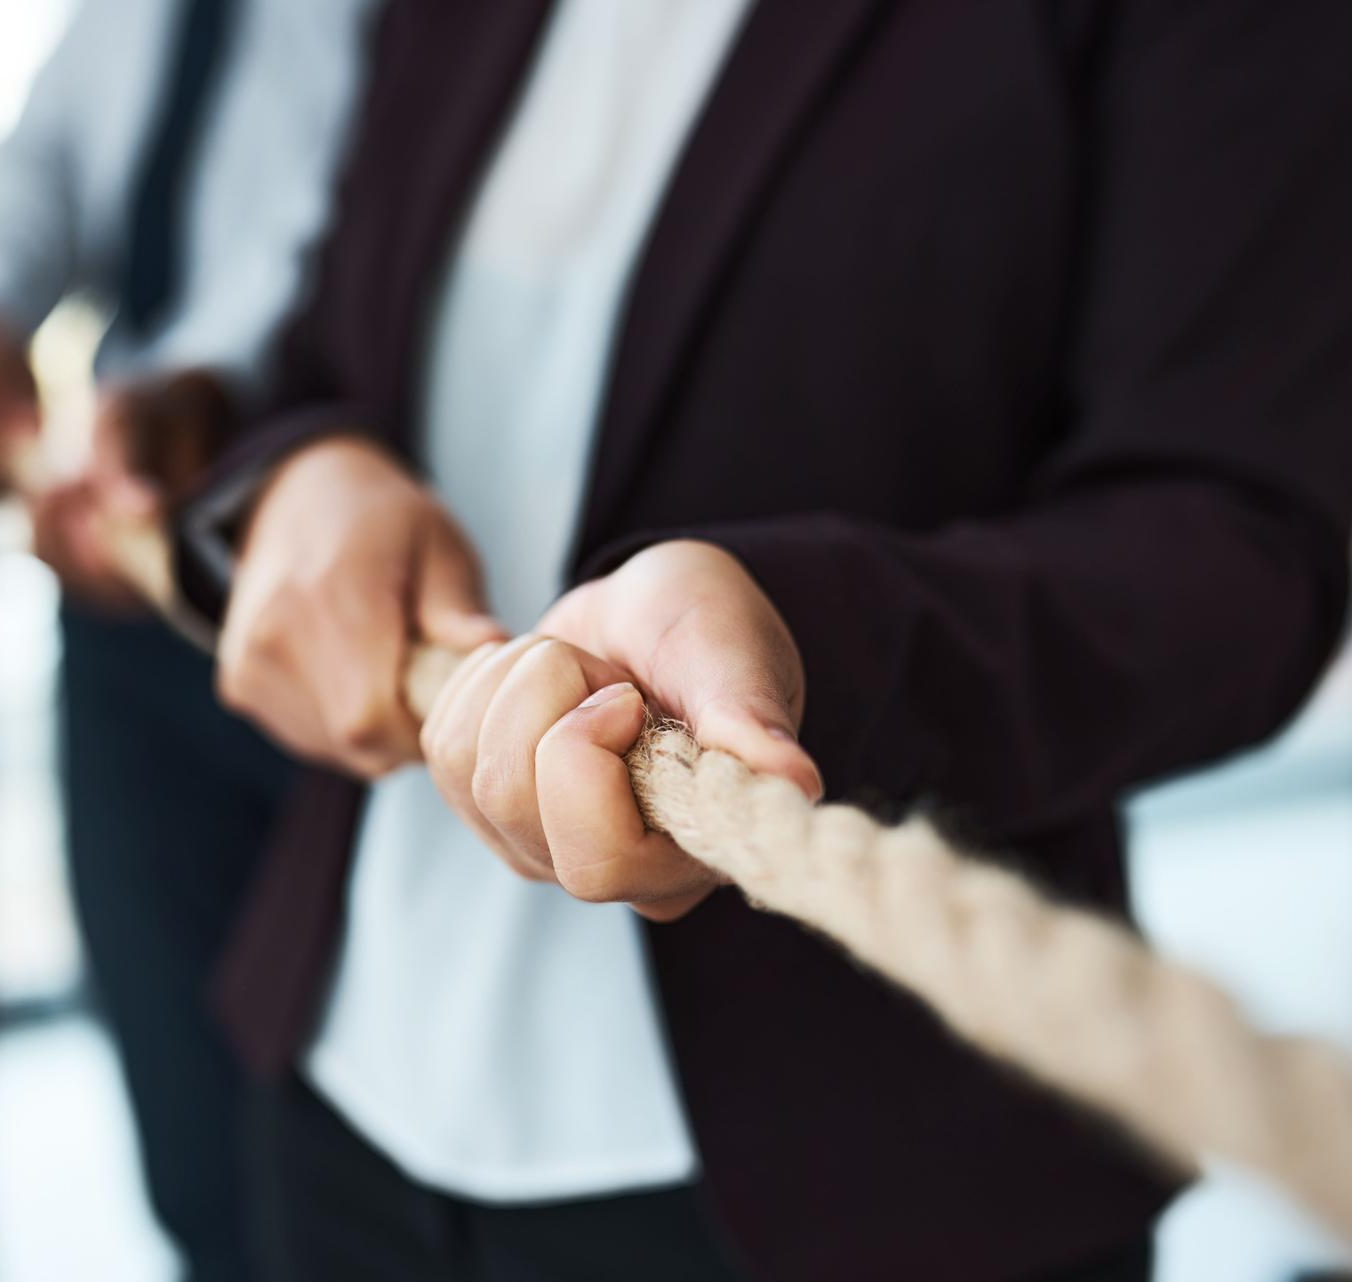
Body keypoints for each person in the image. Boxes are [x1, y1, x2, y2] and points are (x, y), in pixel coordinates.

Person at [179, 1, 1352, 1279]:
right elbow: (321, 359)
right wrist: (303, 470)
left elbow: (1238, 544)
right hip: (346, 1087)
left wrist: (806, 633)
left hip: (858, 1176)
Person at [0, 2, 379, 1277]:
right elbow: (28, 171)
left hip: (320, 575)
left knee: (341, 1120)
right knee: (182, 1106)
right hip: (122, 619)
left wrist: (167, 431)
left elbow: (347, 258)